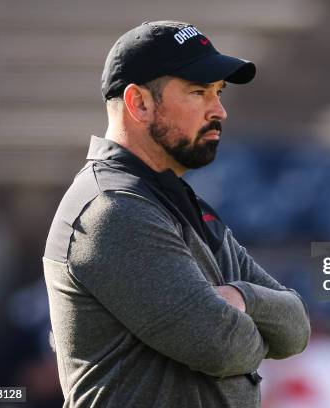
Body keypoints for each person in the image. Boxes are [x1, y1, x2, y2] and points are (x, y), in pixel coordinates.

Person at [42, 20, 310, 408]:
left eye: (219, 93)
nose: (220, 110)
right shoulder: (112, 208)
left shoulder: (178, 202)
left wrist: (240, 297)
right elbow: (222, 346)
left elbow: (296, 327)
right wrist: (252, 324)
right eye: (199, 92)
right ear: (139, 103)